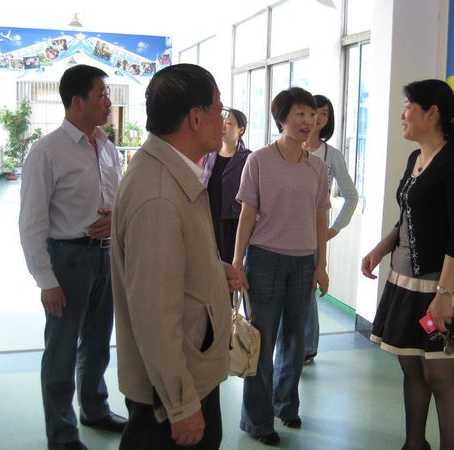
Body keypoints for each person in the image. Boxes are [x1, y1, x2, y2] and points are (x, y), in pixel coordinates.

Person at [111, 63, 242, 450]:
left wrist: (211, 268)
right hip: (170, 395)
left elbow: (169, 262)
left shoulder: (171, 171)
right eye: (219, 109)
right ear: (196, 118)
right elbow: (153, 313)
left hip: (186, 372)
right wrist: (182, 404)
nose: (223, 120)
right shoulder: (158, 195)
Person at [361, 79, 454, 450]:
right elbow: (407, 218)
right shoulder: (416, 159)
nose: (403, 114)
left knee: (440, 376)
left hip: (438, 287)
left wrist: (443, 295)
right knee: (411, 366)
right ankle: (414, 444)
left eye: (409, 106)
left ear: (432, 114)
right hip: (404, 282)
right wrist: (380, 249)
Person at [19, 64, 126, 450]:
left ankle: (94, 408)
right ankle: (62, 433)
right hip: (67, 261)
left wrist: (115, 218)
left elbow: (117, 200)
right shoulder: (46, 152)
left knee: (98, 343)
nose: (108, 102)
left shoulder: (108, 149)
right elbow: (31, 223)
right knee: (62, 350)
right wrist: (46, 280)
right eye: (102, 94)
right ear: (77, 102)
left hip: (106, 257)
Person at [232, 87, 331, 446]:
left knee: (295, 340)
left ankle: (285, 403)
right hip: (264, 259)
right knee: (261, 340)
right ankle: (257, 420)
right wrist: (237, 261)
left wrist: (321, 266)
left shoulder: (318, 167)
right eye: (300, 114)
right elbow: (247, 214)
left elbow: (320, 218)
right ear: (282, 119)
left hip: (303, 262)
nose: (308, 121)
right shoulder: (259, 161)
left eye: (312, 114)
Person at [302, 94, 359, 362]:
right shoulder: (286, 148)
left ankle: (307, 347)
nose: (317, 118)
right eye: (313, 111)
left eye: (324, 113)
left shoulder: (331, 155)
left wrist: (334, 229)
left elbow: (351, 196)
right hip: (283, 231)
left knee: (307, 291)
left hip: (314, 233)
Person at [200, 108, 251, 263]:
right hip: (208, 219)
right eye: (222, 122)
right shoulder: (209, 154)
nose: (223, 126)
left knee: (230, 266)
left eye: (228, 123)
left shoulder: (247, 158)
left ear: (240, 130)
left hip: (233, 223)